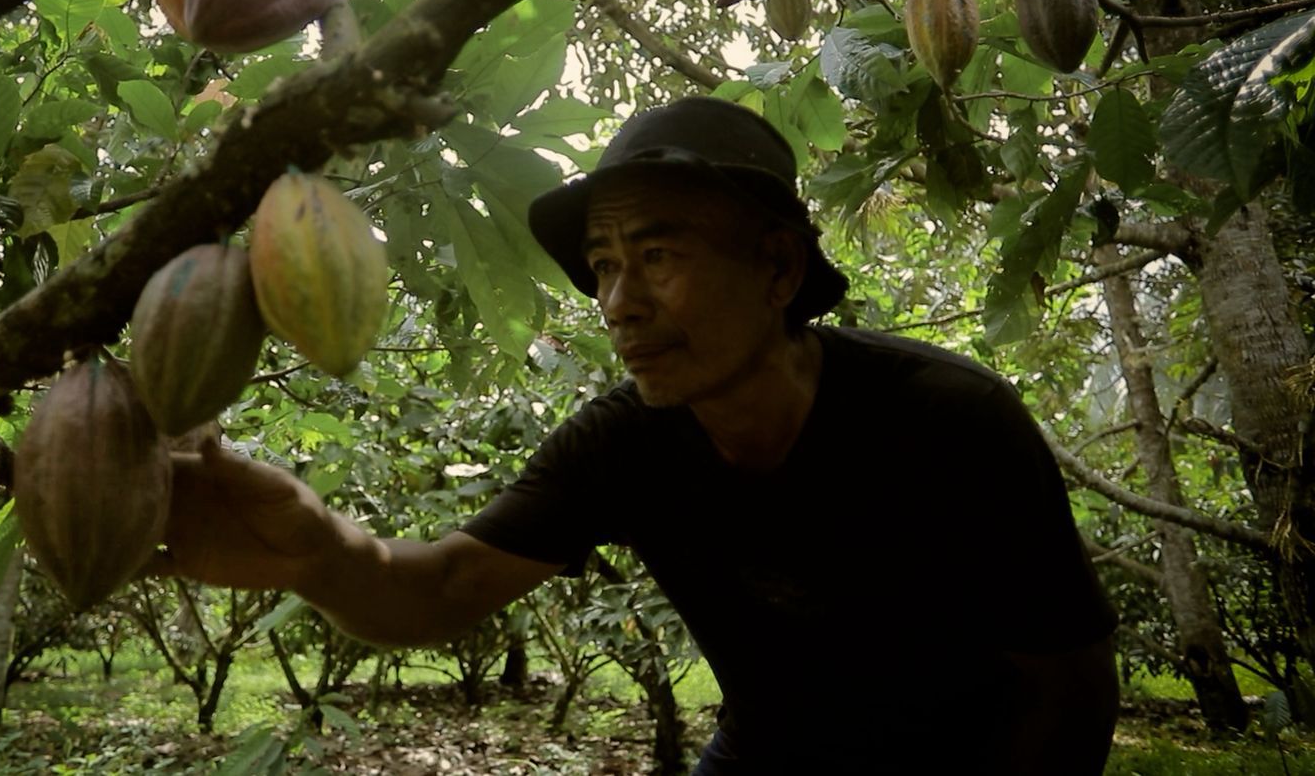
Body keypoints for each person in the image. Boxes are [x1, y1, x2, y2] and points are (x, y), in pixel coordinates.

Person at [154, 97, 1120, 774]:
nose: (619, 303)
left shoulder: (945, 420)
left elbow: (1068, 691)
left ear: (779, 267)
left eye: (657, 256)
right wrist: (310, 552)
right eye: (604, 265)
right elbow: (441, 587)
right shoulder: (625, 443)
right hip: (766, 754)